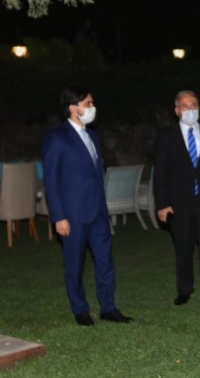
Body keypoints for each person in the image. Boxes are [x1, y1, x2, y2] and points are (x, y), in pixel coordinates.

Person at [43, 86, 133, 326]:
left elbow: (95, 174)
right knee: (75, 264)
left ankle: (108, 307)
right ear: (74, 108)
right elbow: (51, 180)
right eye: (89, 104)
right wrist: (59, 216)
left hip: (98, 211)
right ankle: (80, 309)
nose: (93, 108)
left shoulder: (92, 136)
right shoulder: (57, 138)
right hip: (72, 214)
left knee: (105, 261)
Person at [154, 90, 200, 306]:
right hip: (179, 203)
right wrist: (162, 204)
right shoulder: (167, 136)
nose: (190, 109)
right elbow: (161, 173)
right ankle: (184, 290)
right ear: (177, 111)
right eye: (185, 106)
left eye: (193, 105)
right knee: (183, 248)